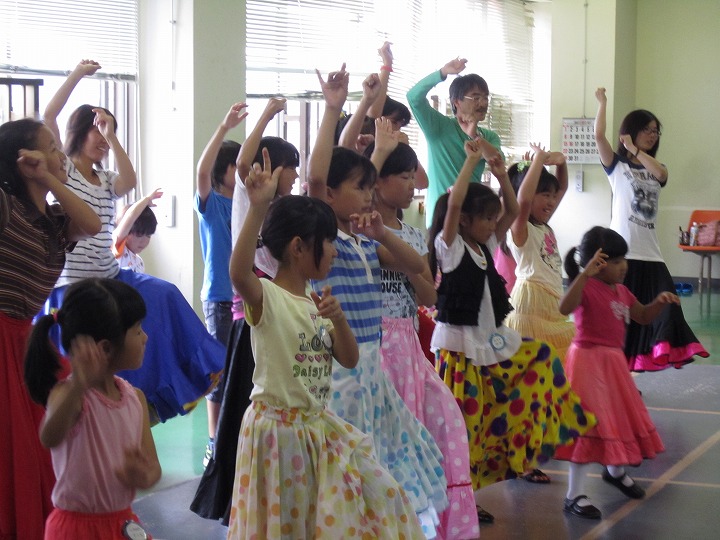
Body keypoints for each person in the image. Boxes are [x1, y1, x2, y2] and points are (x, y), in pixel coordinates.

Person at [225, 148, 423, 538]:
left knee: (364, 498)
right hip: (278, 431)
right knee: (285, 519)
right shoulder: (268, 296)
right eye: (327, 243)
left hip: (315, 426)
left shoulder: (320, 304)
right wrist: (257, 206)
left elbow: (347, 359)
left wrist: (338, 321)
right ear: (298, 247)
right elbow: (238, 272)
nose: (334, 250)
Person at [42, 59, 225, 423]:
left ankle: (155, 400)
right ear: (80, 129)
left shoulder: (106, 178)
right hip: (74, 285)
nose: (103, 139)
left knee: (166, 296)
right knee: (88, 352)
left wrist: (111, 134)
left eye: (108, 131)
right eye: (98, 128)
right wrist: (77, 75)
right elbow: (48, 115)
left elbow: (129, 179)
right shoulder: (61, 168)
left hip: (112, 278)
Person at [308, 65, 448, 538]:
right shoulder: (323, 236)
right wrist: (334, 109)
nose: (370, 196)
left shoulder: (365, 239)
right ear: (329, 196)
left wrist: (381, 229)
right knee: (347, 467)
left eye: (372, 188)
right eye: (361, 189)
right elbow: (316, 179)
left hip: (370, 374)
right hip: (342, 373)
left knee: (381, 460)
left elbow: (414, 266)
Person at [427, 140, 596, 522]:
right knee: (465, 429)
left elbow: (514, 208)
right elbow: (454, 205)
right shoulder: (450, 247)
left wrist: (503, 175)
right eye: (485, 218)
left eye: (492, 219)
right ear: (465, 221)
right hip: (459, 351)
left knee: (540, 358)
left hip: (489, 343)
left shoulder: (483, 245)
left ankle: (537, 441)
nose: (493, 224)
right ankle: (459, 498)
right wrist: (471, 161)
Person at [367, 120, 479, 539]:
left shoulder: (412, 233)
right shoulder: (361, 231)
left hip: (409, 346)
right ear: (377, 182)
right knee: (389, 442)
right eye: (404, 175)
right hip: (377, 346)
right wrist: (410, 263)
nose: (415, 183)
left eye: (414, 174)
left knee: (442, 422)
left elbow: (428, 294)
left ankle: (431, 521)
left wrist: (414, 267)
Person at [190, 97, 299, 522]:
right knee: (243, 405)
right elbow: (244, 161)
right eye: (291, 166)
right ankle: (242, 493)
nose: (296, 175)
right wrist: (266, 117)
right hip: (249, 317)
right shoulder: (247, 199)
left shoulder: (286, 208)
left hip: (280, 317)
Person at [0, 117, 101, 540]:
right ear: (23, 160)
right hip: (2, 340)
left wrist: (48, 176)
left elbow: (93, 224)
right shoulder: (5, 205)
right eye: (51, 147)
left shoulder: (58, 221)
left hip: (26, 341)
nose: (61, 155)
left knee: (39, 455)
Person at [25, 278, 161, 538]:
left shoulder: (136, 399)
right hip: (76, 529)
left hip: (122, 523)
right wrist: (79, 384)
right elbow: (48, 436)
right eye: (137, 330)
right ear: (106, 348)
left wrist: (145, 475)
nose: (145, 338)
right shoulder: (72, 395)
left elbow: (153, 466)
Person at [555, 226, 670, 519]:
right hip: (587, 362)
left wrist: (658, 304)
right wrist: (583, 275)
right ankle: (573, 494)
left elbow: (641, 315)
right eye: (616, 261)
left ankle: (614, 471)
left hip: (613, 363)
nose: (624, 267)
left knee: (615, 418)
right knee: (589, 423)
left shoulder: (621, 291)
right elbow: (563, 307)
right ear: (598, 263)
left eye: (623, 260)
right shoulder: (586, 287)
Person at [594, 88, 707, 370]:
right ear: (631, 131)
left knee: (669, 309)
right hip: (624, 255)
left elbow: (660, 174)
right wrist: (603, 103)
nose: (653, 134)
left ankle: (642, 363)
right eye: (647, 129)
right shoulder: (616, 166)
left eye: (656, 131)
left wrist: (636, 150)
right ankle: (621, 374)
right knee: (623, 318)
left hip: (652, 256)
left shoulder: (657, 167)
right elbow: (598, 136)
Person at [194, 102, 247, 468]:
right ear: (222, 171)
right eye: (236, 165)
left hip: (244, 296)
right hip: (219, 297)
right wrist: (224, 127)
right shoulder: (212, 205)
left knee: (242, 369)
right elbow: (201, 171)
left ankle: (235, 435)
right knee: (219, 371)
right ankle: (214, 441)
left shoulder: (246, 203)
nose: (241, 171)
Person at [408, 56, 503, 227]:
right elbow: (413, 97)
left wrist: (474, 135)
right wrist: (442, 72)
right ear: (456, 102)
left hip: (474, 220)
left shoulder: (488, 137)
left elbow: (498, 161)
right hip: (442, 221)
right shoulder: (439, 128)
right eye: (475, 97)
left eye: (485, 98)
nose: (482, 103)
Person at [504, 144, 574, 362]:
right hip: (532, 302)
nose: (552, 201)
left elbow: (562, 188)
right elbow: (523, 201)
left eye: (553, 196)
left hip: (552, 301)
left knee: (555, 363)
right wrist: (537, 161)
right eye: (545, 195)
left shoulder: (542, 226)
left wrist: (561, 162)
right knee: (536, 363)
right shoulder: (520, 229)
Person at [112, 188, 162, 273]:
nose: (144, 241)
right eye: (139, 235)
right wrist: (146, 200)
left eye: (148, 235)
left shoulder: (139, 262)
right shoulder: (118, 248)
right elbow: (130, 217)